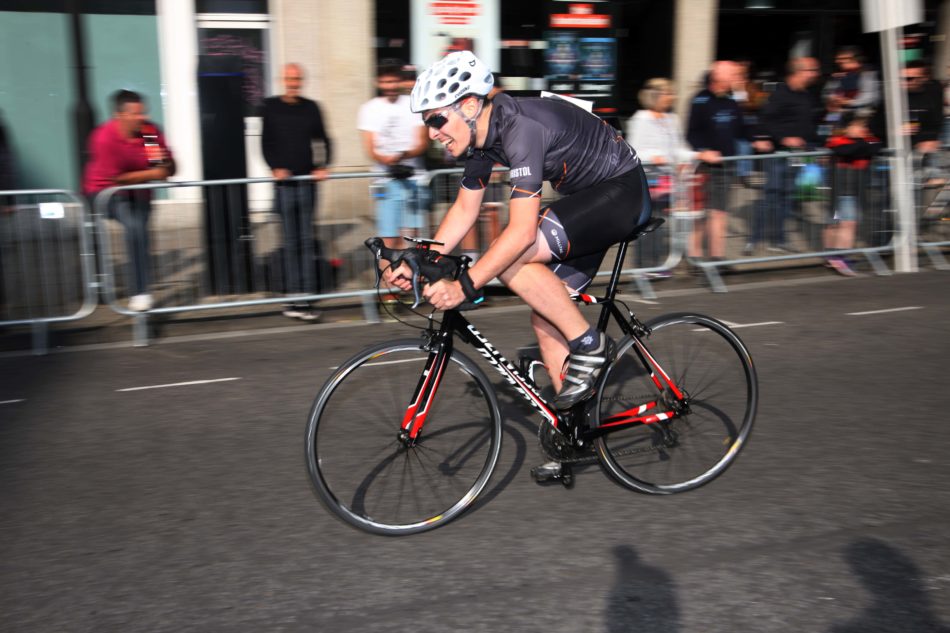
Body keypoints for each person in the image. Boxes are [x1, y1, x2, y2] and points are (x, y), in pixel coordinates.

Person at [384, 51, 651, 480]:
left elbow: (522, 233)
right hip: (588, 201)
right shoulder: (482, 138)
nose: (432, 133)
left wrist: (464, 285)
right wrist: (424, 261)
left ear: (469, 106)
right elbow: (465, 208)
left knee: (510, 257)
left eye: (436, 119)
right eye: (427, 123)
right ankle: (573, 434)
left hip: (621, 192)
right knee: (546, 315)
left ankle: (591, 344)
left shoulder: (520, 128)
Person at [83, 90, 175, 312]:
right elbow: (118, 178)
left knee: (140, 235)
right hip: (106, 193)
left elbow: (164, 168)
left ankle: (141, 291)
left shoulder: (149, 133)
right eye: (136, 114)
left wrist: (161, 168)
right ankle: (140, 292)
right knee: (134, 226)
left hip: (139, 193)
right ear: (120, 115)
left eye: (143, 112)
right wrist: (155, 173)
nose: (142, 117)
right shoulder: (104, 137)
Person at [261, 62, 333, 322]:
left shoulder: (311, 107)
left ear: (302, 81)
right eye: (289, 79)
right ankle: (293, 297)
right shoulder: (270, 106)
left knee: (306, 241)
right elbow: (265, 143)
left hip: (306, 184)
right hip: (284, 186)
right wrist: (274, 167)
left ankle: (306, 297)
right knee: (290, 243)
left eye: (297, 79)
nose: (293, 84)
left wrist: (323, 166)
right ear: (282, 80)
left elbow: (325, 139)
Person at [357, 59, 429, 250]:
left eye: (393, 81)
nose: (389, 86)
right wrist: (386, 159)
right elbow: (370, 148)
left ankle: (411, 270)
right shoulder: (369, 108)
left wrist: (403, 155)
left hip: (414, 179)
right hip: (385, 180)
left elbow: (422, 142)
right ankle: (389, 271)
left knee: (412, 238)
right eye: (385, 82)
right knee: (388, 240)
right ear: (377, 82)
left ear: (400, 81)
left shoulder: (413, 104)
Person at [627, 77, 695, 277]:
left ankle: (657, 264)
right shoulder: (641, 118)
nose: (672, 97)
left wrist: (695, 156)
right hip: (648, 180)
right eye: (668, 93)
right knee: (645, 223)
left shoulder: (671, 119)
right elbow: (633, 149)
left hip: (666, 181)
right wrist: (654, 157)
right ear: (655, 95)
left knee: (660, 223)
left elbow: (679, 148)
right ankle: (643, 267)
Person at [753, 56, 822, 253]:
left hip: (803, 154)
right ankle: (758, 238)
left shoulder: (807, 95)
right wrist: (783, 138)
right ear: (798, 72)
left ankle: (780, 238)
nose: (816, 74)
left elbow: (810, 122)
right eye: (812, 70)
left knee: (793, 195)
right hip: (781, 155)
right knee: (774, 195)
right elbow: (765, 121)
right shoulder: (780, 94)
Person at [685, 61, 749, 265]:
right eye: (733, 75)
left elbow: (741, 129)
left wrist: (760, 139)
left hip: (726, 164)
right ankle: (696, 256)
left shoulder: (731, 100)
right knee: (701, 214)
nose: (737, 79)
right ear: (719, 77)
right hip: (705, 166)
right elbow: (691, 133)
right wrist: (703, 151)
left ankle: (716, 257)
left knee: (719, 212)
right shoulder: (700, 99)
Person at [824, 112, 881, 276]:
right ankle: (838, 257)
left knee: (842, 223)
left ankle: (834, 257)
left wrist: (862, 144)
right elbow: (847, 150)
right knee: (842, 224)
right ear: (847, 127)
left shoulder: (868, 139)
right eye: (858, 126)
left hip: (855, 191)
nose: (863, 129)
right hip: (841, 191)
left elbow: (876, 146)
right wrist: (862, 145)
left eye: (863, 126)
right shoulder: (837, 140)